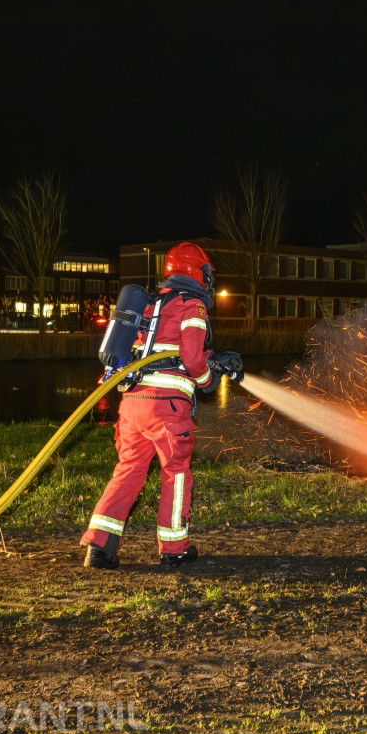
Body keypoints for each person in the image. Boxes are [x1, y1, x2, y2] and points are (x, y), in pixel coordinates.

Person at [80, 241, 243, 570]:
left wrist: (216, 358)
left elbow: (162, 349)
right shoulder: (193, 305)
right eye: (207, 273)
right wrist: (209, 381)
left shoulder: (150, 303)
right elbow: (191, 359)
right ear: (195, 271)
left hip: (132, 404)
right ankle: (174, 549)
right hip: (167, 408)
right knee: (176, 473)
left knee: (128, 472)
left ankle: (99, 547)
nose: (209, 279)